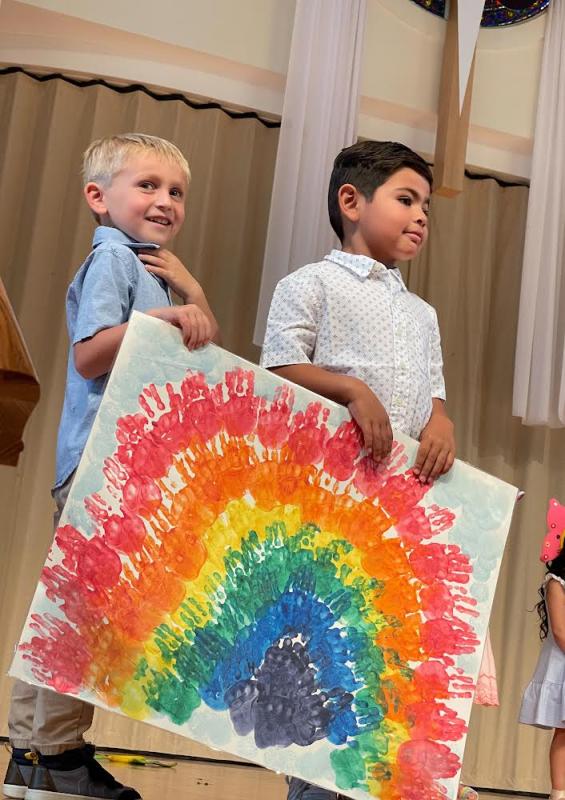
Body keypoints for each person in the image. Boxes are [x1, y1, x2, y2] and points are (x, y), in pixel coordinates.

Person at [3, 132, 219, 800]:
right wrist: (168, 314)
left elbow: (198, 356)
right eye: (147, 186)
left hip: (120, 466)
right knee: (87, 620)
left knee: (66, 612)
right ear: (98, 197)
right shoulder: (113, 263)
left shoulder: (152, 268)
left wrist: (192, 292)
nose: (164, 200)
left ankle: (34, 753)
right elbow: (91, 354)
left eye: (175, 191)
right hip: (103, 464)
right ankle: (59, 757)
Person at [260, 139, 456, 800]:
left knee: (379, 663)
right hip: (327, 505)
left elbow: (433, 392)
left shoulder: (420, 313)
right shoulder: (309, 284)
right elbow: (278, 367)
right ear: (352, 201)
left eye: (425, 205)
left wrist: (440, 422)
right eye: (406, 199)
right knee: (317, 658)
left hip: (395, 514)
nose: (420, 215)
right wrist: (350, 390)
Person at [520, 498, 565, 800]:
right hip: (563, 662)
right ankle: (559, 793)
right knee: (564, 730)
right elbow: (561, 630)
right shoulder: (556, 581)